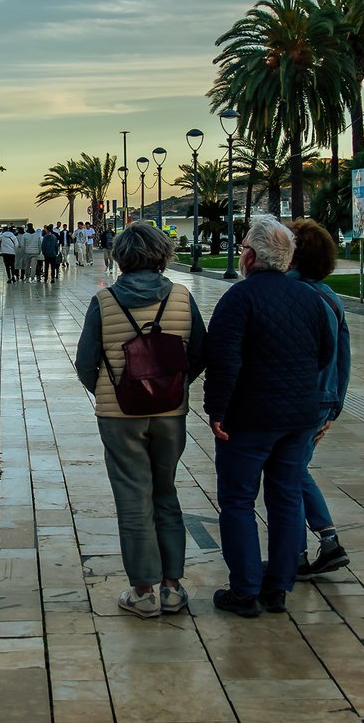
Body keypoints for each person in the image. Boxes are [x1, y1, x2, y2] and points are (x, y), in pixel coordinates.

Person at [204, 214, 335, 617]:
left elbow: (223, 359)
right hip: (297, 417)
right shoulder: (311, 298)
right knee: (285, 498)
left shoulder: (239, 298)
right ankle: (278, 586)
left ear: (249, 256)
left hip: (248, 419)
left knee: (239, 501)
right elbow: (325, 353)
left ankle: (244, 590)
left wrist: (216, 410)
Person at [74, 223, 207, 619]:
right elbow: (199, 353)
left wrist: (107, 390)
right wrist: (174, 387)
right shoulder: (182, 297)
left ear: (121, 257)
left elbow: (85, 362)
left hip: (119, 416)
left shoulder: (105, 300)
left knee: (133, 497)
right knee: (165, 491)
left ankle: (143, 591)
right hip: (170, 415)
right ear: (162, 254)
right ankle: (172, 587)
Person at [288, 218, 352, 580]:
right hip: (323, 398)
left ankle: (298, 554)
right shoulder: (330, 296)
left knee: (289, 473)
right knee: (296, 469)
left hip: (301, 399)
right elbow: (343, 355)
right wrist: (335, 404)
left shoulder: (292, 294)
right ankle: (328, 542)